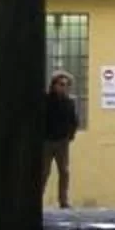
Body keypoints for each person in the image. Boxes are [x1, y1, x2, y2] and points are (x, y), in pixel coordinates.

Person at [42, 72, 79, 207]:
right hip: (46, 141)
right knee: (44, 172)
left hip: (62, 142)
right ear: (54, 85)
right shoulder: (45, 100)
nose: (64, 88)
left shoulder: (69, 103)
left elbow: (74, 121)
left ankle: (63, 200)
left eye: (66, 85)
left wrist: (70, 135)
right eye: (61, 84)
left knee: (64, 171)